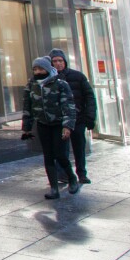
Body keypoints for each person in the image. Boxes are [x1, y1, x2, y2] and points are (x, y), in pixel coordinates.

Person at [20, 57, 79, 199]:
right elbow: (27, 107)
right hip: (42, 125)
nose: (38, 72)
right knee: (48, 156)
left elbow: (68, 106)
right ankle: (54, 188)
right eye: (35, 69)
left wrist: (67, 126)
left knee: (60, 154)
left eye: (40, 68)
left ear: (47, 69)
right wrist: (26, 128)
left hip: (58, 125)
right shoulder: (31, 85)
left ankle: (72, 178)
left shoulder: (60, 84)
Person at [49, 48, 97, 184]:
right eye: (55, 61)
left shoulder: (78, 76)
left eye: (60, 60)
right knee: (60, 149)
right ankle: (63, 174)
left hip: (78, 118)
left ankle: (81, 173)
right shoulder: (49, 80)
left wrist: (90, 117)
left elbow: (89, 97)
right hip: (59, 121)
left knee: (79, 147)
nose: (58, 63)